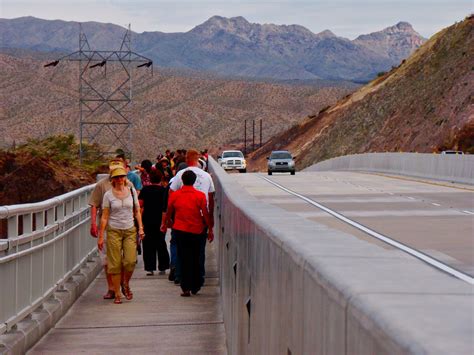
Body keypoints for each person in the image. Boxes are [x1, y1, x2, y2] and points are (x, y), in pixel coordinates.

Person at [98, 167, 145, 304]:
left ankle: (125, 284)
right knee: (115, 263)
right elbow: (105, 217)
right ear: (112, 179)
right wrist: (101, 236)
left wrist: (140, 228)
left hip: (130, 229)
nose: (119, 179)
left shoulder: (131, 191)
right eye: (117, 177)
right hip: (114, 231)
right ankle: (118, 293)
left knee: (130, 261)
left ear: (125, 177)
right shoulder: (108, 195)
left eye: (122, 177)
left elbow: (137, 211)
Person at [163, 170, 213, 296]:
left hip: (180, 230)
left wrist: (165, 223)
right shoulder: (200, 195)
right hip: (197, 230)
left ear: (182, 181)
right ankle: (196, 284)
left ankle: (185, 287)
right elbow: (205, 214)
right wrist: (210, 228)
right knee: (196, 257)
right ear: (194, 180)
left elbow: (169, 211)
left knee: (183, 257)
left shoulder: (175, 195)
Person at [169, 149, 215, 285]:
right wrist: (210, 222)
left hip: (182, 218)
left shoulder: (180, 174)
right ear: (198, 159)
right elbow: (211, 199)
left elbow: (171, 196)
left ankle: (180, 276)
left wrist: (168, 218)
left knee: (181, 249)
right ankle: (199, 278)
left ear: (187, 159)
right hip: (200, 219)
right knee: (198, 251)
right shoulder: (206, 176)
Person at [89, 159, 131, 300]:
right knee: (108, 260)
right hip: (107, 226)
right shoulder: (102, 185)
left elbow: (135, 206)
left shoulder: (128, 185)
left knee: (126, 259)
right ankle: (111, 288)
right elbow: (94, 204)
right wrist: (94, 224)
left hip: (126, 226)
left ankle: (123, 283)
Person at [138, 169, 169, 275]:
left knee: (147, 244)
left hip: (147, 219)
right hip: (160, 219)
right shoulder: (164, 190)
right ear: (161, 178)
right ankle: (163, 267)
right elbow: (166, 207)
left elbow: (140, 204)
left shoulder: (145, 190)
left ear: (150, 179)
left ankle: (150, 268)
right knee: (161, 242)